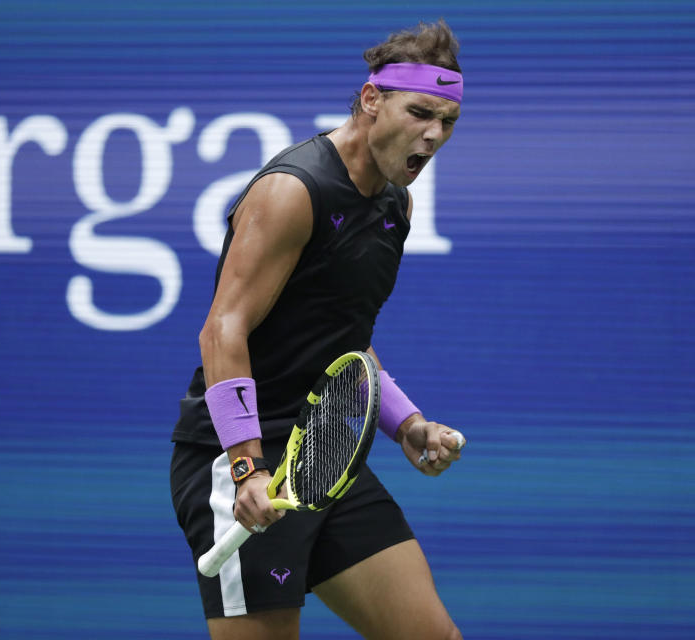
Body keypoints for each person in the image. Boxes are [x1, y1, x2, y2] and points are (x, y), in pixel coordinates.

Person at [170, 19, 466, 640]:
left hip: (324, 452)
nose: (434, 135)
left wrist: (406, 423)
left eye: (447, 121)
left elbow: (346, 343)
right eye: (420, 113)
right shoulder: (292, 191)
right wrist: (247, 465)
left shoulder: (395, 204)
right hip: (241, 461)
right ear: (370, 100)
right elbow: (222, 330)